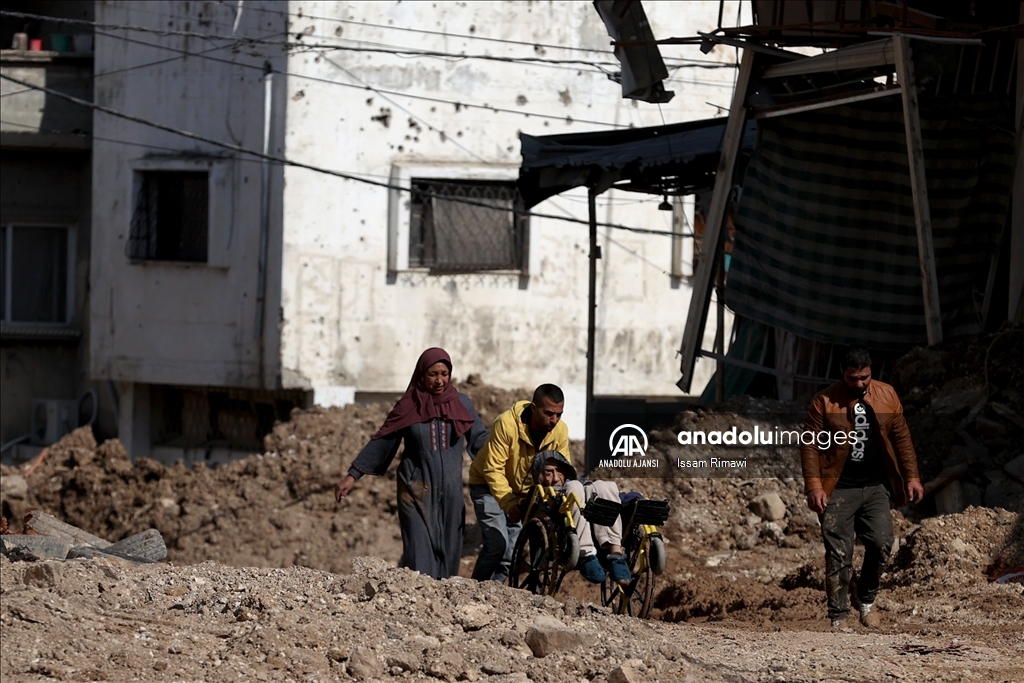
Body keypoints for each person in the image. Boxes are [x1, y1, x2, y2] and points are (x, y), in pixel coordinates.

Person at [335, 348, 489, 580]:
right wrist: (353, 474)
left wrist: (505, 455)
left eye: (444, 374)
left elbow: (479, 439)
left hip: (451, 492)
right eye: (433, 374)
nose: (439, 380)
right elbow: (383, 440)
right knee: (420, 557)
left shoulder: (461, 404)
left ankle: (442, 609)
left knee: (449, 555)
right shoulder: (408, 405)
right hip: (415, 490)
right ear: (421, 375)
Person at [801, 345, 924, 629]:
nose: (859, 384)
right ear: (843, 374)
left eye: (865, 377)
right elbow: (809, 446)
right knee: (839, 553)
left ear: (871, 373)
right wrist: (814, 486)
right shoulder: (824, 402)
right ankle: (839, 616)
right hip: (838, 488)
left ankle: (866, 600)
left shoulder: (887, 395)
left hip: (875, 486)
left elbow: (902, 437)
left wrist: (912, 477)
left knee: (882, 543)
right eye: (853, 378)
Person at [468, 384, 570, 583]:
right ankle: (474, 590)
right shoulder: (506, 424)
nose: (554, 420)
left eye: (559, 414)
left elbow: (561, 470)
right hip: (487, 485)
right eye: (549, 413)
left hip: (523, 494)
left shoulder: (560, 431)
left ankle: (495, 594)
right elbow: (493, 469)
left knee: (509, 554)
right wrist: (509, 505)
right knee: (497, 544)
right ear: (533, 408)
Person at [532, 451, 632, 585]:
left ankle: (616, 553)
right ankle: (586, 554)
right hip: (566, 537)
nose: (556, 478)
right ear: (538, 476)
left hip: (598, 531)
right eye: (548, 473)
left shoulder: (579, 482)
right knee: (574, 487)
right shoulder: (539, 496)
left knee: (604, 485)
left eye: (560, 471)